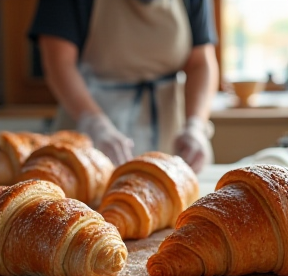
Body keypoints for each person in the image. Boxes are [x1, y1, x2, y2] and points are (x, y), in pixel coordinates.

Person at [28, 0, 219, 173]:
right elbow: (59, 64)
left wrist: (195, 125)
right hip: (88, 130)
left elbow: (201, 63)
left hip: (171, 132)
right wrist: (95, 124)